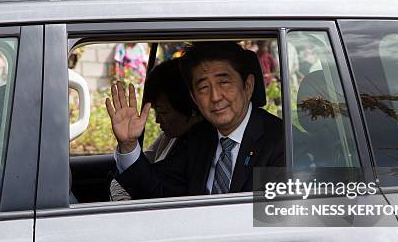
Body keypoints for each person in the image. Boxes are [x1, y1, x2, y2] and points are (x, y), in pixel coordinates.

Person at [105, 41, 285, 199]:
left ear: (248, 86)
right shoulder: (198, 138)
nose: (215, 97)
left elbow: (285, 221)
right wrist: (128, 145)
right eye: (203, 87)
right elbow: (156, 190)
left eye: (224, 83)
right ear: (194, 98)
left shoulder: (283, 143)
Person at [109, 58, 202, 200]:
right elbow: (144, 167)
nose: (157, 120)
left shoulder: (198, 147)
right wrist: (128, 145)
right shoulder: (169, 137)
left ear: (191, 108)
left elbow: (158, 191)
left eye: (163, 112)